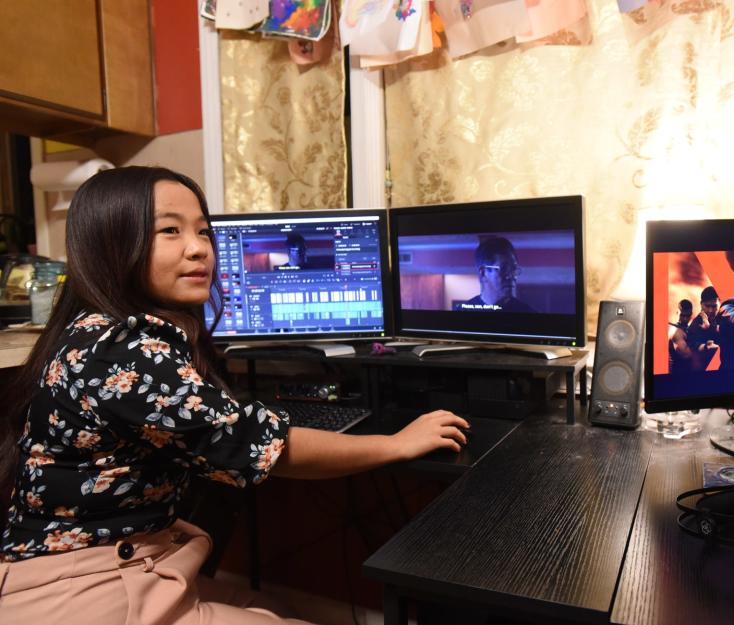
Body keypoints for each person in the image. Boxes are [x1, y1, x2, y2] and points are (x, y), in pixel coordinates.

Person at [0, 167, 469, 624]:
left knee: (280, 608)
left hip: (116, 563)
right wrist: (397, 443)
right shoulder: (126, 353)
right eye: (170, 230)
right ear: (112, 242)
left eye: (204, 232)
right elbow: (266, 448)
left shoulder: (101, 332)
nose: (199, 249)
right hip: (85, 589)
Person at [455, 236, 536, 313]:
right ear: (483, 273)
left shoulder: (528, 312)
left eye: (513, 269)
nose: (511, 276)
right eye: (504, 269)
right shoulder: (462, 311)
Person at [686, 286, 721, 370]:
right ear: (701, 304)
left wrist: (710, 327)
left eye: (714, 306)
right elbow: (695, 346)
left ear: (720, 303)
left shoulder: (723, 317)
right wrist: (706, 347)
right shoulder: (695, 326)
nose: (710, 310)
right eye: (707, 306)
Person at [668, 299, 694, 373]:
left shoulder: (687, 329)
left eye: (688, 316)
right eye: (682, 315)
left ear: (691, 314)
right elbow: (687, 355)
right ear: (677, 312)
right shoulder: (676, 331)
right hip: (677, 374)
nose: (685, 319)